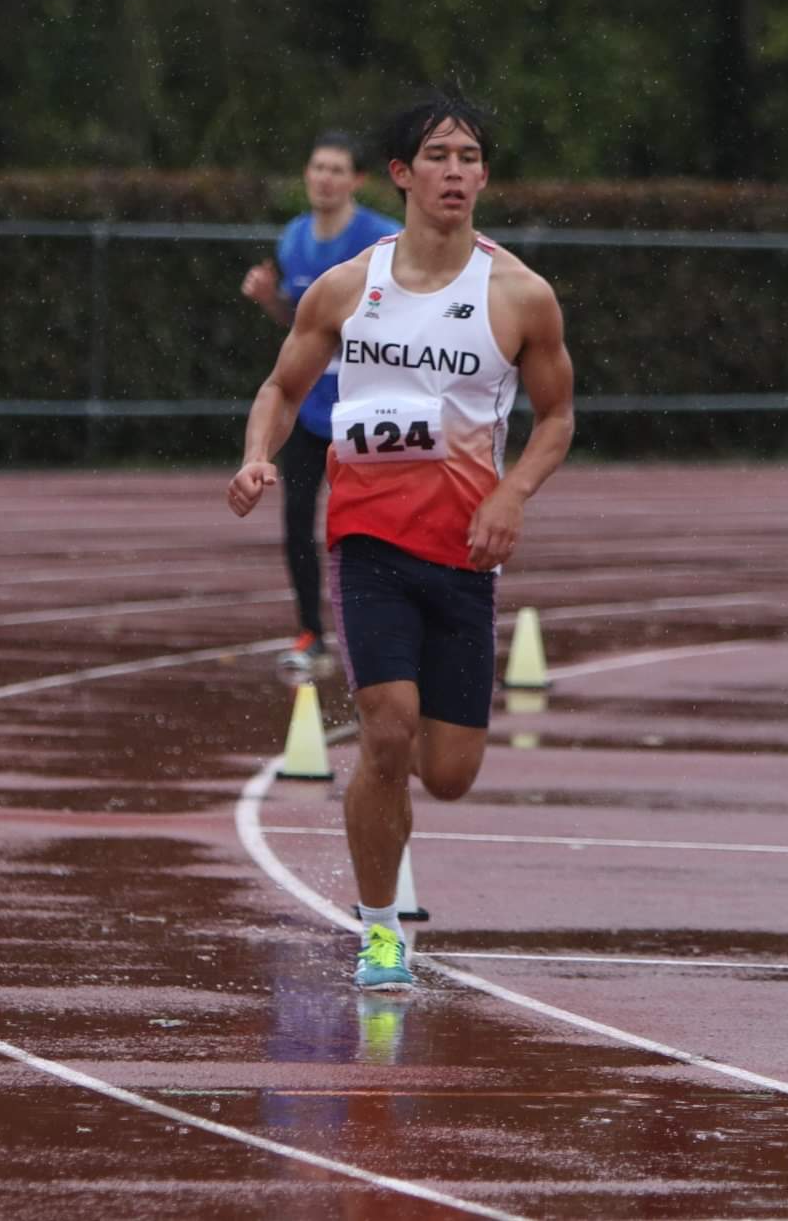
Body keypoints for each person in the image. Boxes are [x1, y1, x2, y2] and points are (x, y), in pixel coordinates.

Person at [227, 91, 576, 990]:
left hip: (463, 552)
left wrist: (511, 494)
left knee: (449, 771)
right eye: (439, 156)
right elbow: (281, 385)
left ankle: (390, 800)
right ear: (403, 175)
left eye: (470, 157)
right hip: (369, 540)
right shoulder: (352, 286)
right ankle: (380, 932)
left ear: (484, 175)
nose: (456, 171)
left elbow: (558, 417)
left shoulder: (520, 294)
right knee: (386, 732)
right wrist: (258, 457)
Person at [241, 133, 400, 681]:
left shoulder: (382, 240)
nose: (325, 178)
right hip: (312, 412)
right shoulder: (293, 240)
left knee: (371, 529)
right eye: (317, 167)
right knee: (296, 522)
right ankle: (311, 632)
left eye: (337, 169)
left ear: (356, 180)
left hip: (368, 412)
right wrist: (270, 300)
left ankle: (386, 633)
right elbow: (303, 323)